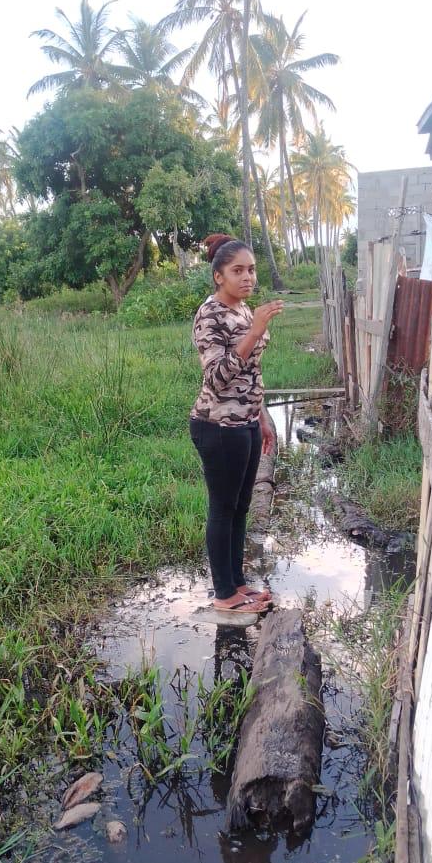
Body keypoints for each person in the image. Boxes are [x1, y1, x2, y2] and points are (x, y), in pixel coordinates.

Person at [189, 233, 284, 615]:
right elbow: (217, 377)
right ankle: (223, 594)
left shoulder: (244, 311)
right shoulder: (209, 314)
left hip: (244, 423)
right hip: (217, 426)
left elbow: (250, 372)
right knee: (222, 508)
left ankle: (238, 585)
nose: (247, 278)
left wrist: (260, 418)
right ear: (218, 276)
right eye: (237, 271)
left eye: (251, 270)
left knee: (241, 506)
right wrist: (255, 331)